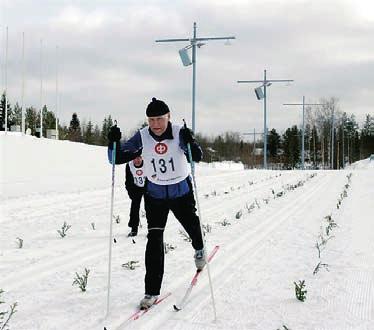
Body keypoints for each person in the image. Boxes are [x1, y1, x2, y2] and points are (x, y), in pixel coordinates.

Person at [108, 97, 205, 309]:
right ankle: (151, 291)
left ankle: (199, 248)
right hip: (155, 195)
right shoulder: (142, 136)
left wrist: (191, 142)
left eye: (159, 119)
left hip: (181, 192)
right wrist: (113, 143)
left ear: (168, 117)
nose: (155, 124)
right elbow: (116, 158)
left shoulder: (179, 131)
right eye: (151, 120)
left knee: (192, 226)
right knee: (154, 239)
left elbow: (196, 157)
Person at [125, 156, 146, 237]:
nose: (137, 160)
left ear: (142, 158)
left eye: (139, 158)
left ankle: (152, 229)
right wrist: (131, 193)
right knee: (134, 208)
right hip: (136, 187)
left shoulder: (147, 163)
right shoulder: (129, 165)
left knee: (150, 208)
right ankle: (134, 229)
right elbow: (128, 181)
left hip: (148, 187)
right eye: (135, 158)